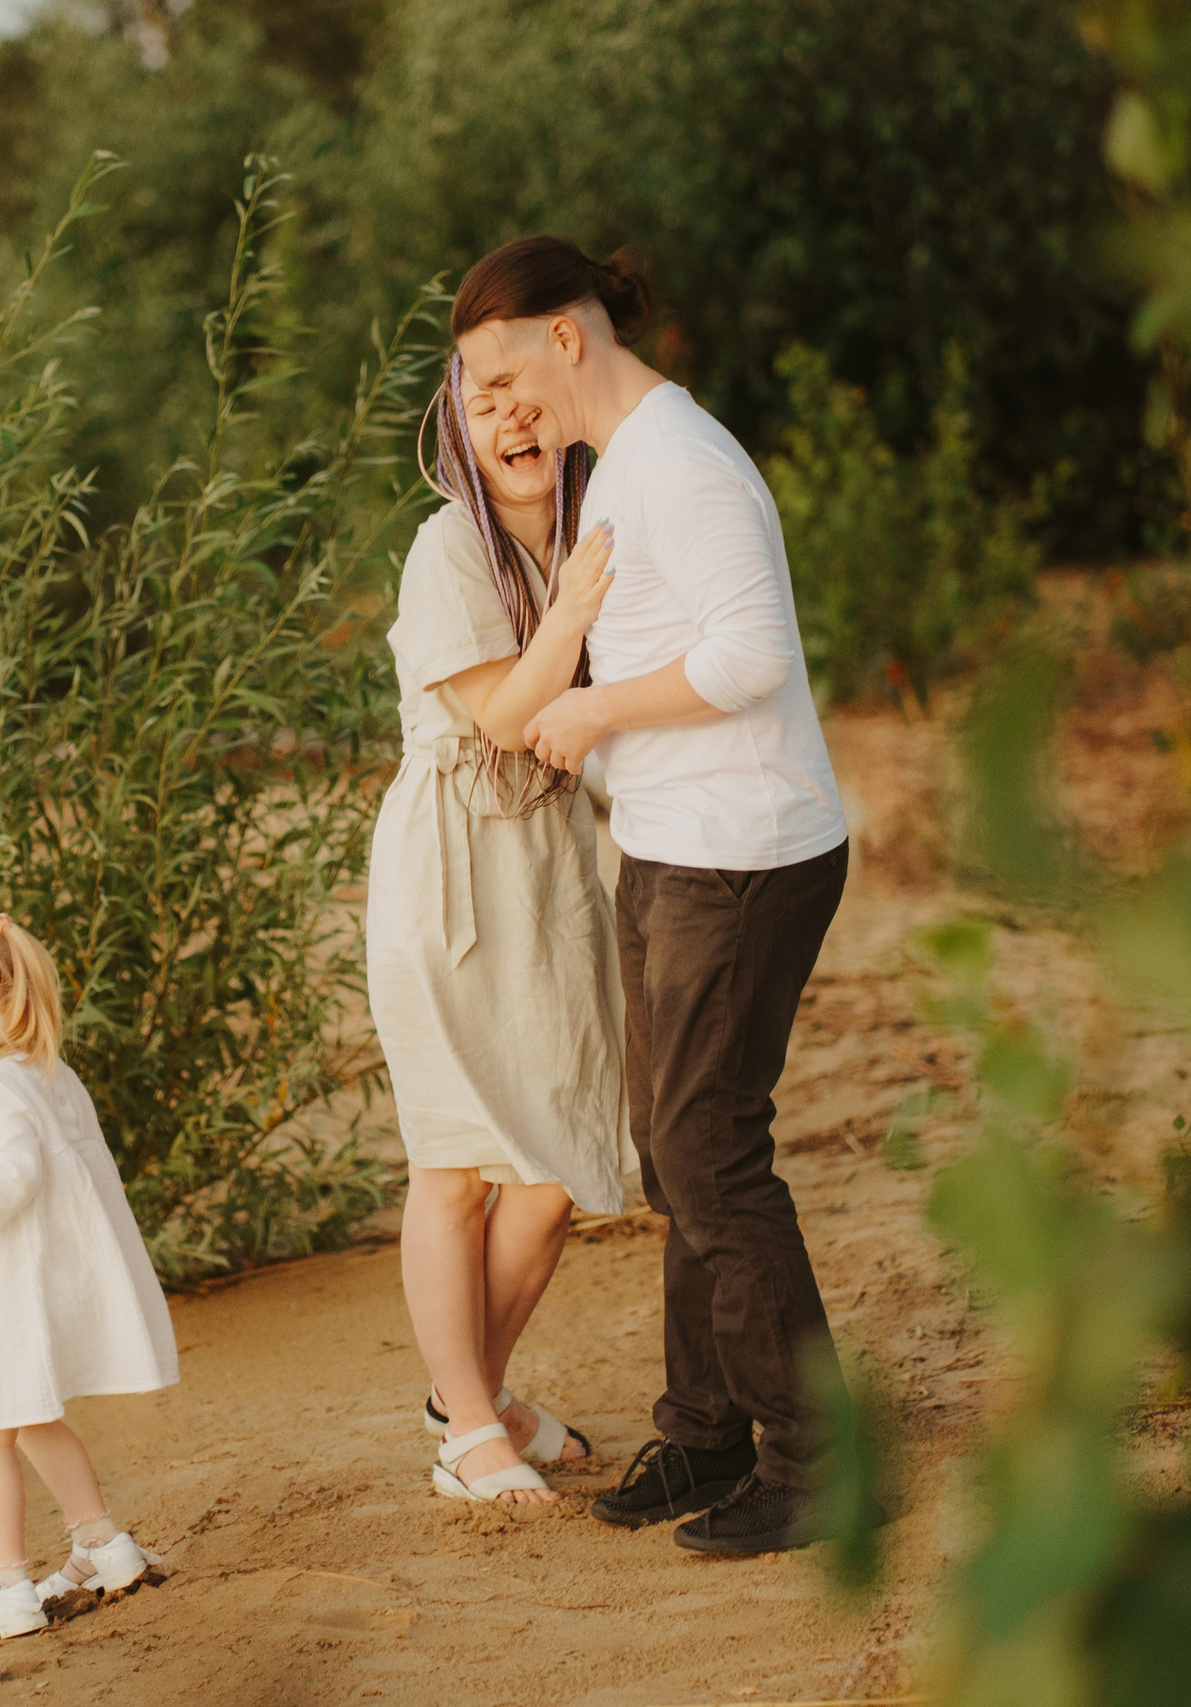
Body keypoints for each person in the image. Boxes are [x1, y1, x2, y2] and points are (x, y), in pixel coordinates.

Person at [452, 236, 856, 1555]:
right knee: (680, 1139)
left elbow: (751, 653)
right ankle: (704, 1430)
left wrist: (592, 707)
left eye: (506, 370)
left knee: (708, 1148)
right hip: (683, 845)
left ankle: (817, 1458)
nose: (502, 403)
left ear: (568, 338)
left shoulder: (679, 462)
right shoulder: (626, 462)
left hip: (743, 853)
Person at [366, 351, 630, 1506]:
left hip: (553, 869)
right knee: (455, 1162)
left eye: (526, 396)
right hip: (452, 868)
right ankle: (473, 1424)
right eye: (484, 403)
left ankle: (466, 1396)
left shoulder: (601, 515)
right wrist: (573, 608)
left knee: (552, 1168)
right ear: (457, 432)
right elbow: (506, 712)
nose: (511, 417)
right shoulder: (449, 547)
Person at [0, 911, 180, 1643]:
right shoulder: (49, 1071)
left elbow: (11, 1176)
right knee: (33, 1421)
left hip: (7, 1295)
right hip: (44, 1282)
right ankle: (102, 1545)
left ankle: (8, 1589)